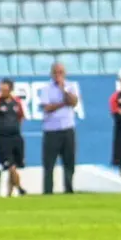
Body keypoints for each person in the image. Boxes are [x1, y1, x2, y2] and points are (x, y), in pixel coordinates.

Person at [39, 62, 80, 194]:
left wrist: (63, 90)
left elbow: (73, 102)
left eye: (60, 72)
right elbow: (47, 107)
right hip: (51, 130)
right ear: (51, 74)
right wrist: (63, 103)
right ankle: (48, 191)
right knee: (49, 164)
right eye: (55, 72)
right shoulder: (46, 88)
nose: (58, 75)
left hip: (67, 128)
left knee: (69, 162)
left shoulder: (71, 86)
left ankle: (69, 189)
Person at [0, 78, 27, 197]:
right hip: (3, 138)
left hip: (16, 137)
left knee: (14, 166)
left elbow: (21, 117)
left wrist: (17, 129)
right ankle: (20, 188)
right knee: (10, 166)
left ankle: (10, 193)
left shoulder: (16, 102)